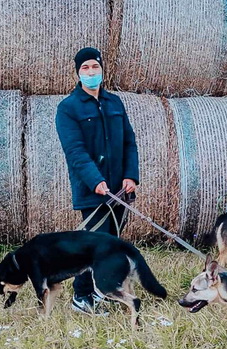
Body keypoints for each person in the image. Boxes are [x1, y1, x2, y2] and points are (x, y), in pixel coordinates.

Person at [56, 47, 139, 315]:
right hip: (93, 190)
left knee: (111, 245)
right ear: (78, 73)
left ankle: (100, 292)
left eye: (95, 67)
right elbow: (75, 152)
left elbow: (129, 142)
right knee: (94, 245)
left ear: (102, 69)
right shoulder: (68, 108)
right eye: (85, 68)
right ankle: (82, 297)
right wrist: (95, 181)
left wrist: (130, 175)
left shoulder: (114, 103)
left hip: (119, 189)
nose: (91, 72)